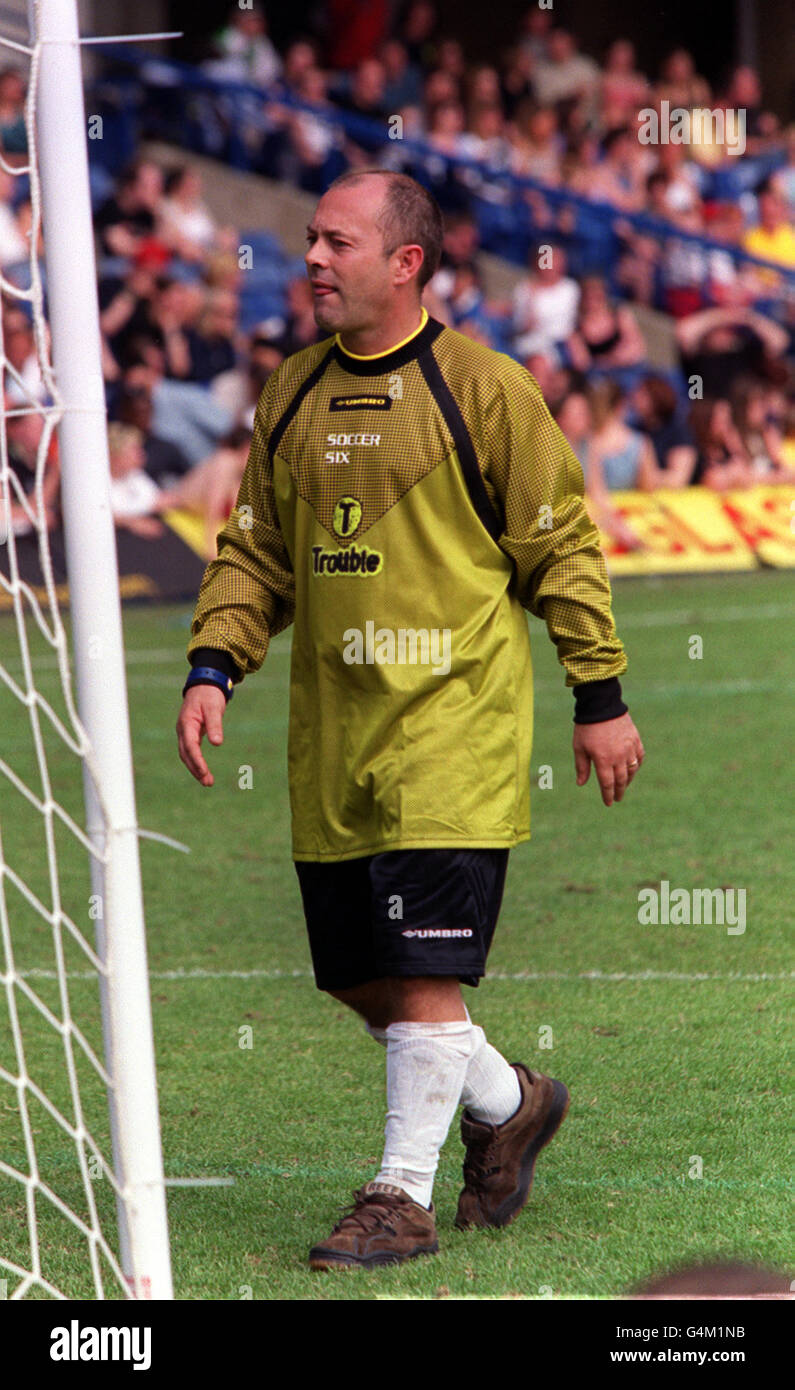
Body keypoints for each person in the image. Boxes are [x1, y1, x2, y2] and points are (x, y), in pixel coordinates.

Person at [176, 169, 644, 1270]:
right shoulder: (291, 391)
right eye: (308, 240)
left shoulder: (485, 390)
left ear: (407, 263)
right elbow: (256, 548)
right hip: (334, 738)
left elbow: (560, 543)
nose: (311, 259)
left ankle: (401, 1199)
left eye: (336, 241)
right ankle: (509, 1099)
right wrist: (214, 662)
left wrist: (600, 692)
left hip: (454, 730)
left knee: (425, 974)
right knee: (360, 976)